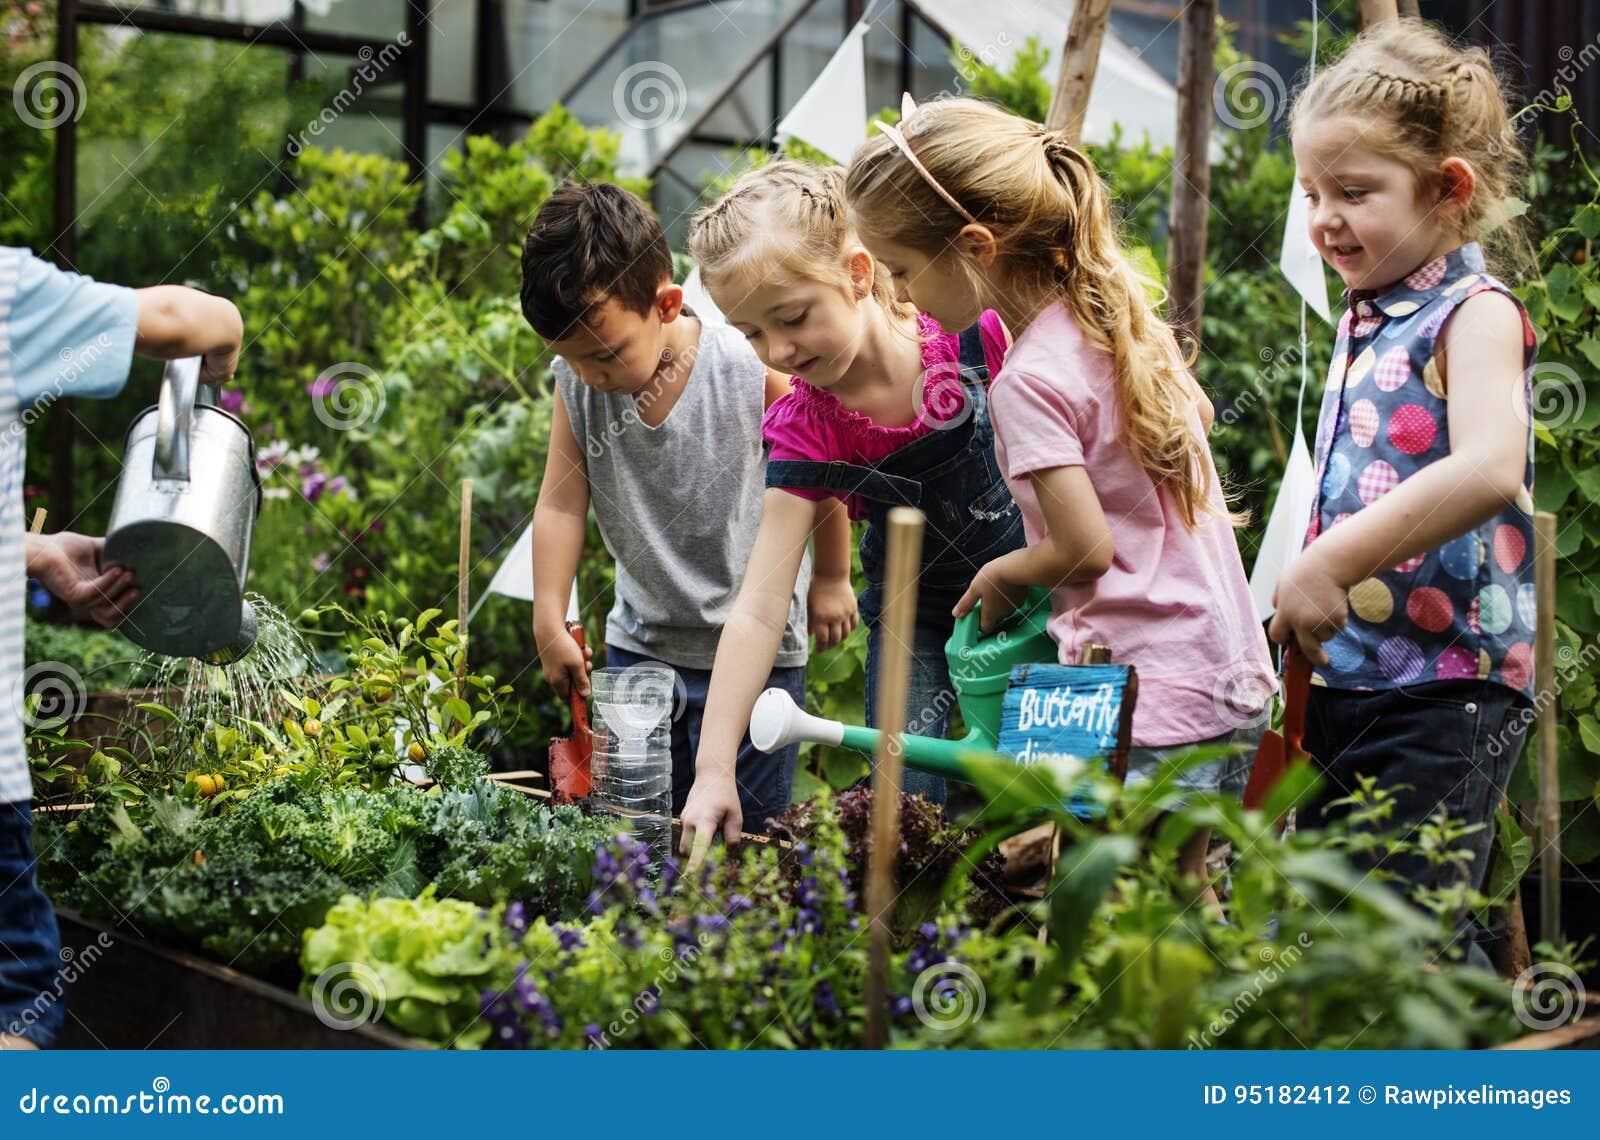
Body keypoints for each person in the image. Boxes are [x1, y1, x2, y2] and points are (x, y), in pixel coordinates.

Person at [845, 99, 1272, 902]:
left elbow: (1083, 549)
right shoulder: (1114, 321)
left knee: (1133, 903)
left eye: (901, 268)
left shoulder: (1029, 379)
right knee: (1191, 888)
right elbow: (1200, 418)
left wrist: (1007, 571)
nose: (901, 296)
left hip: (1147, 689)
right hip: (1224, 662)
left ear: (975, 247)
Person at [1267, 23, 1537, 915]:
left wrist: (1327, 563)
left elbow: (1493, 465)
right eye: (1311, 193)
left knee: (1410, 937)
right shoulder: (1367, 314)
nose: (1323, 220)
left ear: (1447, 188)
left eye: (1353, 191)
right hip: (1353, 674)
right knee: (1340, 928)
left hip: (1445, 686)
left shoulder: (1476, 312)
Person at [680, 160, 1023, 851]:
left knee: (1053, 793)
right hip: (915, 620)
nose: (777, 350)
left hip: (1036, 596)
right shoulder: (809, 426)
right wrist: (714, 769)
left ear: (860, 273)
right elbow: (758, 606)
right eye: (749, 333)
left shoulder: (973, 335)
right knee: (902, 815)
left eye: (793, 317)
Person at [524, 181, 854, 837]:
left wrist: (830, 577)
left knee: (745, 844)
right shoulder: (579, 384)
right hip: (638, 650)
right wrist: (548, 613)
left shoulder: (746, 368)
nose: (591, 375)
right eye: (570, 359)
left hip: (761, 658)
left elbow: (817, 469)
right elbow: (561, 504)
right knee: (634, 839)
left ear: (666, 303)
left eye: (606, 354)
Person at [1, 247, 243, 1049]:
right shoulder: (8, 293)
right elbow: (180, 321)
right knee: (17, 999)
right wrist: (225, 326)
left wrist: (35, 554)